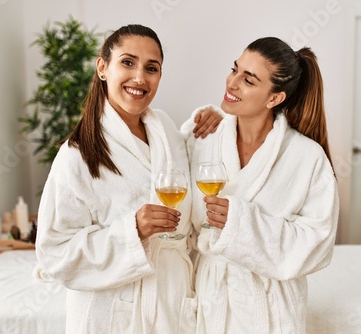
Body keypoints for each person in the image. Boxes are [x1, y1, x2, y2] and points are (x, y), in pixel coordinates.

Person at [35, 24, 219, 333]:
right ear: (103, 67)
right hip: (110, 314)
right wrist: (131, 231)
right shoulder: (78, 154)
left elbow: (186, 162)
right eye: (128, 62)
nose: (139, 78)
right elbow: (55, 253)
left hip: (171, 305)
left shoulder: (165, 130)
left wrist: (211, 122)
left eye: (152, 68)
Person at [181, 37, 339, 333]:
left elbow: (317, 244)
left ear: (274, 98)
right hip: (208, 298)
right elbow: (170, 189)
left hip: (269, 307)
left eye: (249, 80)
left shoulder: (307, 157)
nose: (232, 82)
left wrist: (240, 223)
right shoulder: (203, 137)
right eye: (235, 69)